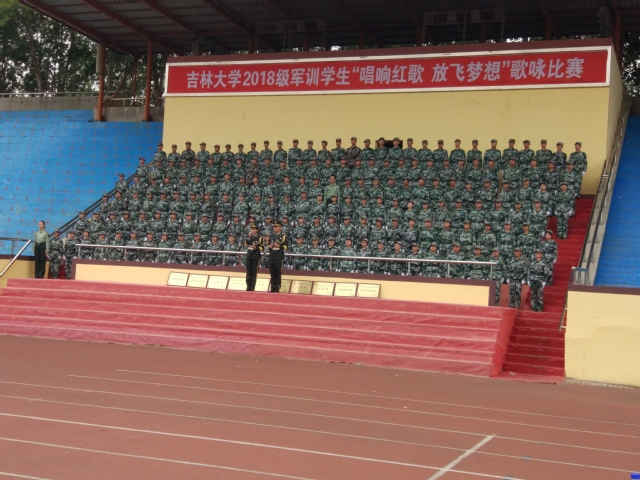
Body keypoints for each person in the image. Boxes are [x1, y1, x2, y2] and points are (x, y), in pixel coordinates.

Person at [268, 221, 289, 292]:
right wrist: (270, 247)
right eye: (274, 227)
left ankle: (277, 287)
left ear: (280, 227)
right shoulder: (271, 236)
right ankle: (272, 287)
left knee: (278, 273)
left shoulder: (283, 236)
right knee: (272, 273)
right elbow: (268, 245)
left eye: (276, 227)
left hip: (279, 255)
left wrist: (279, 246)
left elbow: (286, 247)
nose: (275, 228)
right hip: (272, 255)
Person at [245, 223, 263, 291]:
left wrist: (255, 247)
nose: (252, 230)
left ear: (257, 230)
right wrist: (249, 237)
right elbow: (246, 244)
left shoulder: (260, 238)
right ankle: (248, 286)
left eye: (254, 229)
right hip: (249, 255)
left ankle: (252, 287)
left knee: (254, 272)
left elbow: (262, 248)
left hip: (255, 256)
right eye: (252, 229)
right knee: (248, 272)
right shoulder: (249, 236)